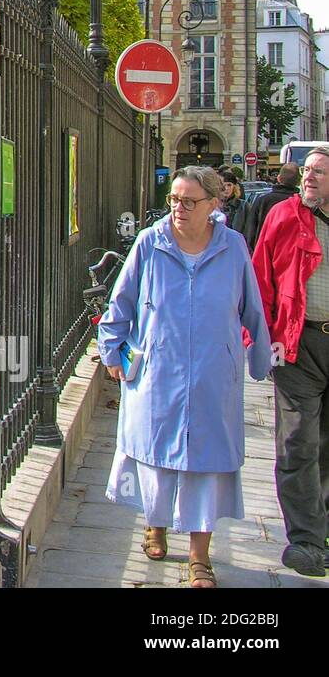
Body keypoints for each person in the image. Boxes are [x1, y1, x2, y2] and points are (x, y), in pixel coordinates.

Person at [99, 165, 272, 589]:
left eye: (190, 201)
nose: (179, 208)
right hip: (159, 369)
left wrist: (260, 358)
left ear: (214, 204)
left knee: (206, 465)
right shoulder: (149, 242)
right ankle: (155, 524)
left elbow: (252, 306)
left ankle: (199, 557)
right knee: (155, 456)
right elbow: (120, 302)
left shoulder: (233, 247)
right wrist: (112, 350)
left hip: (214, 373)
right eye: (174, 199)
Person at [252, 144, 329, 578]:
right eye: (307, 171)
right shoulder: (285, 216)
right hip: (299, 344)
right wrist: (260, 338)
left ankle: (323, 533)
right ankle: (305, 540)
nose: (308, 178)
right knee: (298, 439)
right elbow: (261, 277)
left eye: (319, 171)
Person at [246, 162, 300, 251]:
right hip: (292, 258)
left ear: (278, 178)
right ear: (298, 182)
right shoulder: (301, 204)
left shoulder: (262, 201)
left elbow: (250, 232)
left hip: (263, 254)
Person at [217, 167, 249, 241]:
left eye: (229, 185)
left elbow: (249, 229)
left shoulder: (243, 206)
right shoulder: (212, 205)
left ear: (234, 187)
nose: (226, 188)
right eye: (223, 185)